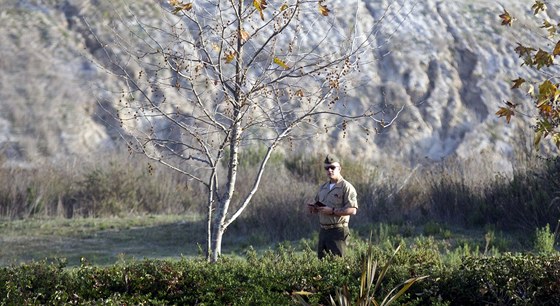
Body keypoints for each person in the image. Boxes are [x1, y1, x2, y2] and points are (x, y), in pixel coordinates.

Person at [307, 154, 358, 259]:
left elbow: (352, 210)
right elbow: (318, 204)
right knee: (323, 266)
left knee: (338, 264)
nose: (329, 170)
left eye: (332, 167)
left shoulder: (346, 187)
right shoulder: (323, 187)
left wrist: (333, 211)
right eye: (327, 168)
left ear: (339, 168)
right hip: (323, 231)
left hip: (338, 231)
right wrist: (314, 209)